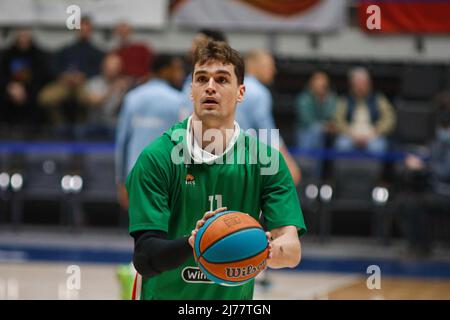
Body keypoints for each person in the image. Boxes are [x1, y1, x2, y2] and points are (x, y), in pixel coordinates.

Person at [127, 40, 306, 300]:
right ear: (191, 91)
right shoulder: (158, 157)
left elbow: (291, 249)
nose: (210, 87)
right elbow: (144, 257)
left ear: (241, 92)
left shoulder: (266, 161)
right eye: (201, 79)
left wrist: (261, 250)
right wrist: (195, 242)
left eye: (222, 80)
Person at [114, 53, 185, 299]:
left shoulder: (133, 98)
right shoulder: (178, 100)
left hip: (136, 174)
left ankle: (130, 273)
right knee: (162, 232)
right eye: (175, 68)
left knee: (140, 231)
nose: (179, 74)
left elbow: (121, 142)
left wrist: (120, 180)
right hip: (167, 175)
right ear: (163, 70)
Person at [237, 49, 301, 185]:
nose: (274, 70)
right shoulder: (259, 92)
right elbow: (267, 133)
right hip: (247, 163)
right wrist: (288, 163)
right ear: (252, 65)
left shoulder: (232, 87)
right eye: (269, 65)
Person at [396, 103, 450, 256]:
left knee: (418, 203)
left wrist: (424, 166)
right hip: (434, 190)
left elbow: (445, 172)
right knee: (404, 200)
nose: (443, 131)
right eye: (442, 126)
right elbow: (427, 156)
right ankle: (417, 245)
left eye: (446, 127)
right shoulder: (436, 143)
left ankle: (420, 248)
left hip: (446, 192)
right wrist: (416, 161)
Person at [0, 28, 52, 133]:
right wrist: (11, 86)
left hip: (32, 89)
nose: (23, 39)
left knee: (39, 98)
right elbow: (2, 74)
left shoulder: (39, 55)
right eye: (21, 36)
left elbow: (41, 76)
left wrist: (25, 90)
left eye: (26, 36)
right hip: (11, 89)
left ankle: (33, 131)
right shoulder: (6, 54)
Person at [334, 67, 396, 153]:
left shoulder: (379, 99)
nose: (360, 87)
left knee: (377, 147)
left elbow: (389, 119)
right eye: (357, 84)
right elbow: (338, 119)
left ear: (369, 84)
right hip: (350, 134)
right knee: (342, 145)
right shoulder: (345, 100)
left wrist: (377, 130)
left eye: (363, 83)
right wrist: (350, 132)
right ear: (352, 85)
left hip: (373, 134)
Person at [82, 53, 132, 139]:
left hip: (116, 125)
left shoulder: (124, 84)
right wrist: (112, 90)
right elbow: (94, 102)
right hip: (97, 124)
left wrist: (128, 91)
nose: (114, 69)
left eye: (117, 66)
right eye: (111, 66)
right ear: (103, 66)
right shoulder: (94, 83)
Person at [295, 71, 337, 151]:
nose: (321, 87)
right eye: (318, 84)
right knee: (316, 131)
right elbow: (307, 121)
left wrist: (323, 101)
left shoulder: (330, 99)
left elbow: (331, 116)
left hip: (326, 134)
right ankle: (306, 160)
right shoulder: (303, 99)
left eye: (324, 85)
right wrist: (323, 127)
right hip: (305, 132)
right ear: (311, 84)